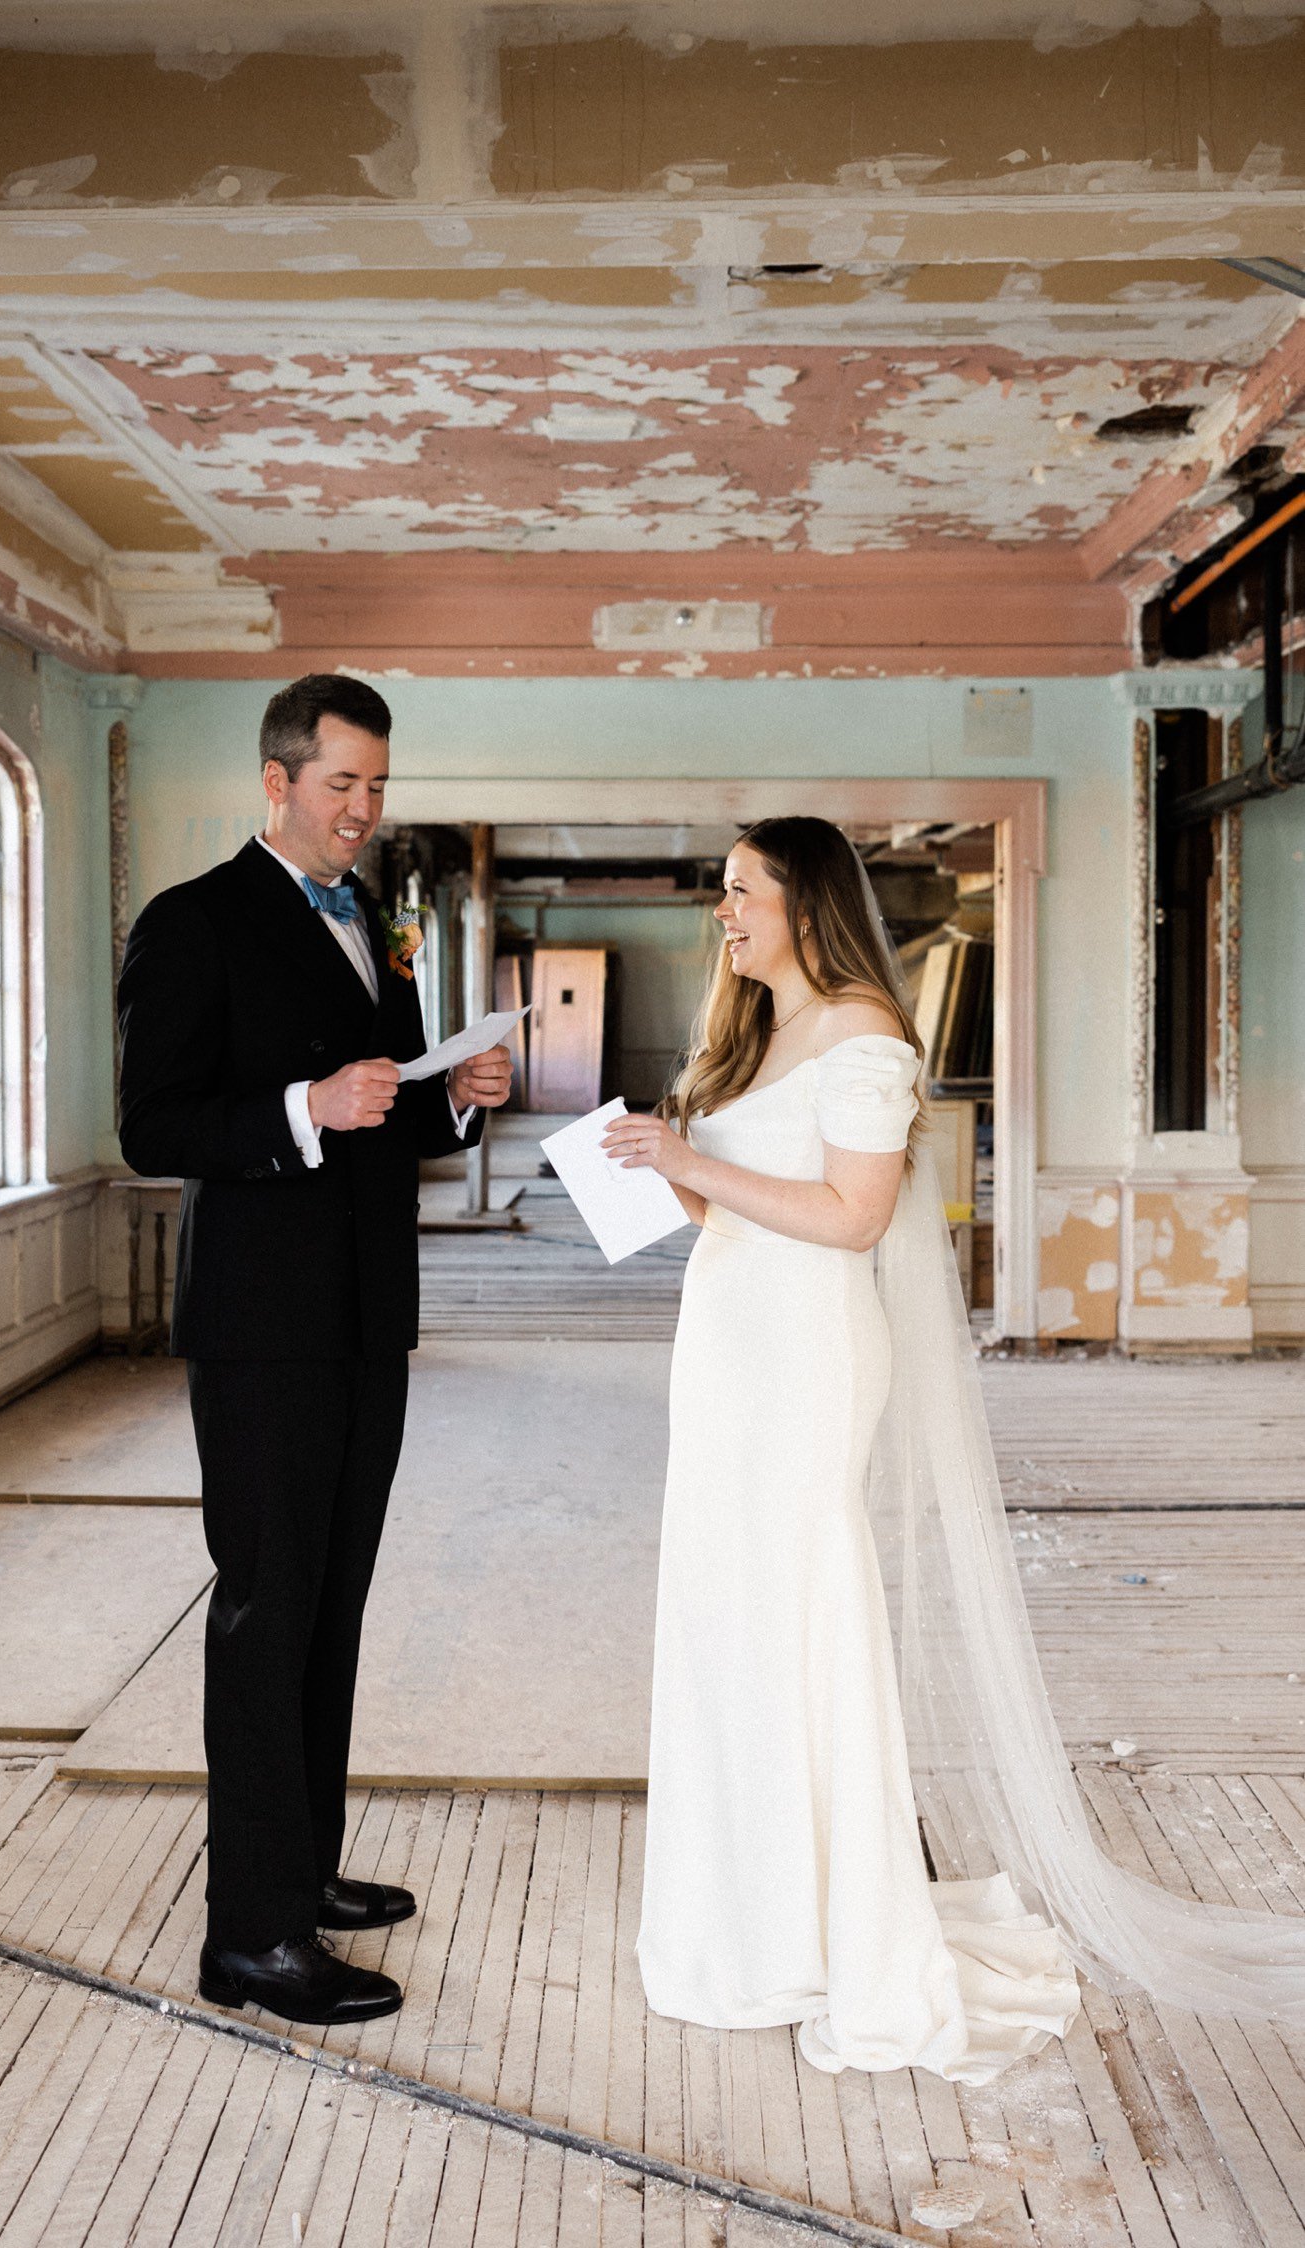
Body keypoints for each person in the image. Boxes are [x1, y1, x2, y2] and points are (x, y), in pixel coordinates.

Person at [604, 814, 1304, 2083]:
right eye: (723, 893)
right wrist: (663, 1173)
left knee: (800, 1613)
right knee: (724, 1621)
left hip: (808, 1360)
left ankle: (832, 1926)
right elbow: (738, 1203)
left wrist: (692, 1154)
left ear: (805, 902)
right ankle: (744, 1916)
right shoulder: (756, 1032)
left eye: (741, 892)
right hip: (725, 1355)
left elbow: (851, 1214)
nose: (725, 913)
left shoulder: (868, 1031)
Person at [117, 674, 512, 2028]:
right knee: (266, 1608)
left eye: (380, 787)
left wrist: (450, 1103)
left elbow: (379, 1117)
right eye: (344, 785)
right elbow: (155, 1127)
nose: (366, 810)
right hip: (261, 1332)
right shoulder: (192, 924)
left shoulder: (373, 929)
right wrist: (299, 1102)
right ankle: (252, 1939)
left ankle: (304, 1867)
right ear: (277, 782)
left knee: (333, 1607)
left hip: (365, 1323)